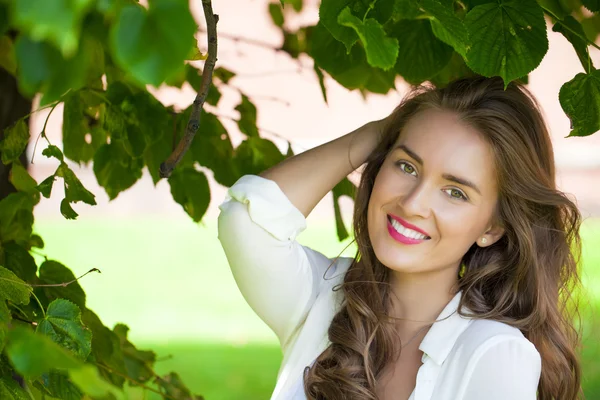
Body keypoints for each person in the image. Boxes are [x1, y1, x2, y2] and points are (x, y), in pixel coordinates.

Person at [217, 76, 583, 400]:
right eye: (406, 166)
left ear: (492, 228)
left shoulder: (493, 354)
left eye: (455, 192)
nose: (413, 204)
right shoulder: (322, 299)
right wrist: (380, 132)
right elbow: (245, 222)